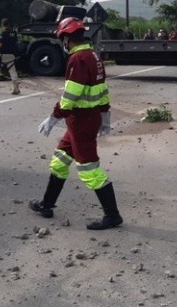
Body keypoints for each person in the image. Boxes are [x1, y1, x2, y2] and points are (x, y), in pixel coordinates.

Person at [30, 17, 123, 230]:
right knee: (60, 161)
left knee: (89, 169)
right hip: (83, 121)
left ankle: (113, 215)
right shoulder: (93, 56)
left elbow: (70, 95)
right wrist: (105, 117)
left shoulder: (78, 59)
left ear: (66, 39)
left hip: (82, 121)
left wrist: (54, 117)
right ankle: (47, 205)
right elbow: (102, 90)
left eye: (62, 39)